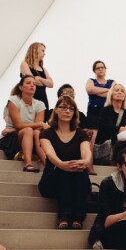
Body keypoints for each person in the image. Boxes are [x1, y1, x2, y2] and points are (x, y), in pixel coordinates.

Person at [38, 95, 92, 230]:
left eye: (71, 108)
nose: (67, 111)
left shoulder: (81, 134)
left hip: (77, 180)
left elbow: (86, 151)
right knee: (63, 171)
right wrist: (62, 165)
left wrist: (85, 162)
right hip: (52, 180)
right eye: (63, 107)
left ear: (75, 112)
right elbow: (50, 153)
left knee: (78, 170)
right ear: (55, 110)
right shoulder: (46, 133)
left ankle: (78, 218)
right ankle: (64, 216)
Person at [0, 75, 47, 172]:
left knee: (37, 133)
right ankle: (28, 164)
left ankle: (48, 165)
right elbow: (18, 125)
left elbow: (37, 128)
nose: (32, 86)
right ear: (21, 87)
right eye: (28, 83)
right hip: (9, 139)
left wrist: (39, 125)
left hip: (31, 138)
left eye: (34, 84)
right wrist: (41, 124)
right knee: (29, 130)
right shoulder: (13, 100)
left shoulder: (40, 104)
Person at [93, 83, 126, 164]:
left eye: (122, 91)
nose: (120, 92)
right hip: (107, 147)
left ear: (124, 96)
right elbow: (108, 129)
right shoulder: (105, 110)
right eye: (117, 90)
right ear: (111, 95)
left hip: (122, 145)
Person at [19, 41, 53, 110]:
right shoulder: (25, 64)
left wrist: (39, 79)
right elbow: (32, 81)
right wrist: (44, 82)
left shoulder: (43, 68)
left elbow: (51, 84)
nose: (44, 53)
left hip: (43, 100)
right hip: (31, 99)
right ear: (35, 50)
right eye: (42, 51)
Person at [85, 60, 113, 137]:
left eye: (102, 67)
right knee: (92, 135)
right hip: (93, 111)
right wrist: (108, 90)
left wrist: (96, 92)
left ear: (105, 69)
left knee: (109, 134)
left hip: (108, 111)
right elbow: (90, 90)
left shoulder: (112, 82)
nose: (100, 69)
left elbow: (113, 94)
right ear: (94, 71)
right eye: (98, 68)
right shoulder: (91, 80)